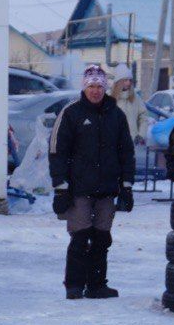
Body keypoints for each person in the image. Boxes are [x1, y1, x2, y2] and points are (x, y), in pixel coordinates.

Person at [48, 65, 135, 300]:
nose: (96, 91)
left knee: (101, 238)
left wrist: (126, 186)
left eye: (99, 86)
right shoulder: (71, 113)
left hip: (107, 189)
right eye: (91, 86)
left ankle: (97, 285)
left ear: (105, 88)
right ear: (84, 88)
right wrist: (60, 187)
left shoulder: (116, 116)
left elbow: (126, 152)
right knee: (80, 236)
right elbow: (57, 152)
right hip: (78, 190)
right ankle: (74, 285)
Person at [109, 63, 149, 146]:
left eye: (130, 80)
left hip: (130, 144)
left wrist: (141, 134)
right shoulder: (108, 98)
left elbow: (143, 117)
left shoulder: (135, 98)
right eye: (125, 80)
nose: (128, 83)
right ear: (118, 81)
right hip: (111, 144)